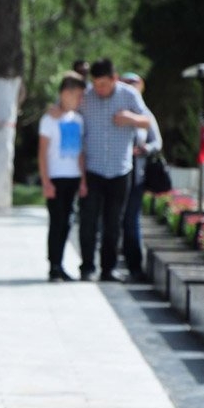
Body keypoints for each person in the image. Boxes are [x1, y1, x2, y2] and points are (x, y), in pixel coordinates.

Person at [78, 58, 152, 282]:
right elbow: (66, 110)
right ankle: (87, 267)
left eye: (104, 84)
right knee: (88, 221)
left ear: (114, 78)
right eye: (96, 84)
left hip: (120, 169)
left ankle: (108, 268)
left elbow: (147, 121)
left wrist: (130, 118)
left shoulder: (129, 95)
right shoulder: (86, 97)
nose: (100, 89)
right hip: (92, 168)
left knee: (113, 222)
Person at [39, 72, 87, 282]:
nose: (80, 100)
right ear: (65, 93)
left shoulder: (77, 119)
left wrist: (83, 179)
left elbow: (81, 152)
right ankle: (54, 266)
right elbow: (42, 153)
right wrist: (46, 181)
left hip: (73, 177)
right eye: (77, 95)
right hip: (56, 177)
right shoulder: (49, 119)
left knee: (68, 222)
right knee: (56, 222)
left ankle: (61, 264)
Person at [119, 72, 162, 283]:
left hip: (136, 172)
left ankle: (135, 266)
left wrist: (144, 148)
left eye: (133, 84)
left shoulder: (145, 114)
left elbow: (157, 142)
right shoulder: (116, 111)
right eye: (126, 84)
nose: (130, 88)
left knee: (131, 220)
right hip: (114, 172)